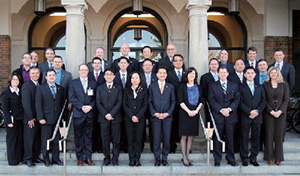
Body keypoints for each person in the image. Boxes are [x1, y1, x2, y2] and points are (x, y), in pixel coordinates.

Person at [208, 67, 240, 167]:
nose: (222, 74)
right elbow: (211, 100)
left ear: (227, 74)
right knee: (217, 138)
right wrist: (221, 110)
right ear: (218, 74)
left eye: (224, 72)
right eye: (221, 72)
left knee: (230, 138)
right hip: (218, 116)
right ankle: (217, 159)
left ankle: (230, 159)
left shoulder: (234, 85)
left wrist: (229, 109)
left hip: (230, 116)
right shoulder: (212, 85)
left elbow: (237, 99)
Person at [68, 64, 97, 166]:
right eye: (82, 70)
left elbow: (96, 98)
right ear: (79, 71)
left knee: (89, 136)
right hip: (78, 114)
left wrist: (90, 107)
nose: (84, 71)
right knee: (78, 137)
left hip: (90, 113)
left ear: (88, 71)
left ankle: (88, 158)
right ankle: (79, 158)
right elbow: (71, 97)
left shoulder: (93, 83)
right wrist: (81, 107)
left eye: (85, 70)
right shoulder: (73, 83)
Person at [35, 69, 65, 166]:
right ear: (46, 77)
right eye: (50, 75)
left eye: (53, 75)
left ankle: (56, 158)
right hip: (46, 119)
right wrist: (40, 118)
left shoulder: (61, 89)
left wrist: (63, 118)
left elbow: (62, 104)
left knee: (57, 140)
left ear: (56, 77)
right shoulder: (41, 88)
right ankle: (46, 158)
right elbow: (38, 104)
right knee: (46, 140)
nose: (52, 77)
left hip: (57, 119)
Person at [149, 67, 176, 166]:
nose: (162, 75)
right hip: (155, 117)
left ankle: (165, 158)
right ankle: (157, 159)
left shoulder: (171, 87)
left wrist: (168, 113)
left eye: (164, 73)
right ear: (157, 74)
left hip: (167, 117)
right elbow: (149, 102)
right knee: (156, 139)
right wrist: (155, 113)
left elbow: (173, 101)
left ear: (166, 75)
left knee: (166, 139)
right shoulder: (152, 86)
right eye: (160, 73)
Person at [239, 67, 266, 167]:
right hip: (246, 116)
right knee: (244, 138)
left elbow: (263, 101)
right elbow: (240, 102)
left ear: (255, 75)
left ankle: (253, 157)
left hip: (257, 116)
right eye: (248, 73)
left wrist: (257, 111)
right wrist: (249, 111)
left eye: (252, 73)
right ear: (245, 75)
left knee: (256, 138)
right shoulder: (241, 87)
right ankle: (244, 158)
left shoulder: (260, 86)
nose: (250, 75)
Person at [263, 66, 289, 166]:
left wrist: (280, 111)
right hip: (269, 113)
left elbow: (286, 99)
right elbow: (263, 99)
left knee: (279, 135)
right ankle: (269, 158)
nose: (273, 74)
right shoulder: (265, 85)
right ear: (268, 74)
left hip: (281, 114)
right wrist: (271, 111)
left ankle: (278, 158)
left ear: (278, 74)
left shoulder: (284, 85)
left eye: (275, 73)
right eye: (271, 73)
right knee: (269, 135)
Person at [96, 68, 123, 166]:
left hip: (116, 117)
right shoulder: (100, 88)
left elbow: (119, 102)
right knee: (105, 139)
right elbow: (98, 102)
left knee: (116, 139)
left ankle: (115, 158)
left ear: (114, 76)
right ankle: (107, 157)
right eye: (107, 74)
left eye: (111, 74)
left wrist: (111, 114)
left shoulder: (119, 88)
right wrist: (106, 114)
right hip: (103, 118)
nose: (109, 76)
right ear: (104, 76)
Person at [177, 67, 203, 166]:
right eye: (190, 74)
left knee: (191, 137)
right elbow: (180, 100)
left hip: (195, 113)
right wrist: (188, 111)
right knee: (184, 136)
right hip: (184, 113)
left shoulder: (198, 87)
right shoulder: (182, 87)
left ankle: (187, 155)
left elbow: (201, 101)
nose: (191, 75)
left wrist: (196, 111)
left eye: (193, 74)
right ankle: (184, 157)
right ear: (186, 76)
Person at [123, 71, 148, 166]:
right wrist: (132, 116)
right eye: (133, 78)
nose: (135, 79)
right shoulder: (126, 90)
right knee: (130, 139)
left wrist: (137, 116)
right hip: (128, 119)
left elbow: (145, 105)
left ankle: (137, 159)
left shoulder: (144, 90)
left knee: (138, 140)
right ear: (130, 79)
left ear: (140, 79)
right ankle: (131, 159)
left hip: (140, 119)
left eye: (136, 78)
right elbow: (124, 104)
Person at [1, 74, 24, 165]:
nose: (15, 81)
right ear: (10, 81)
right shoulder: (6, 93)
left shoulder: (20, 91)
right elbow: (5, 109)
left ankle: (19, 158)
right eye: (13, 80)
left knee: (19, 139)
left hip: (20, 119)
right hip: (11, 120)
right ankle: (12, 161)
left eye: (17, 80)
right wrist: (8, 121)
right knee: (12, 140)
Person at [22, 67, 42, 167]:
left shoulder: (39, 85)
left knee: (36, 139)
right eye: (33, 73)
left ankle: (35, 157)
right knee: (29, 139)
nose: (35, 75)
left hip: (38, 117)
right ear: (29, 75)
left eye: (37, 73)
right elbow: (26, 103)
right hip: (30, 118)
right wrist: (30, 117)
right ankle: (28, 159)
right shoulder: (26, 86)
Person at [167, 54, 185, 153]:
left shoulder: (187, 74)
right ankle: (172, 146)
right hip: (172, 104)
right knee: (172, 126)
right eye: (176, 61)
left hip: (185, 105)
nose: (178, 62)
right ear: (173, 63)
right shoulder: (169, 74)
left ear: (182, 62)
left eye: (180, 60)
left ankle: (185, 148)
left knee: (184, 126)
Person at [88, 57, 105, 153]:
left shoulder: (104, 75)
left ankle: (100, 146)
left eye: (99, 63)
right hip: (91, 105)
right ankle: (92, 146)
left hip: (102, 105)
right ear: (92, 64)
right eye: (95, 63)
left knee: (100, 128)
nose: (97, 64)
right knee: (92, 127)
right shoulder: (88, 75)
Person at [140, 58, 158, 152]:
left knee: (153, 127)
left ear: (152, 66)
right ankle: (141, 146)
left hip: (154, 106)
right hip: (141, 106)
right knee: (141, 127)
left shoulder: (156, 76)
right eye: (145, 65)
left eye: (149, 65)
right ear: (142, 67)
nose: (147, 67)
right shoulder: (139, 76)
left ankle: (153, 147)